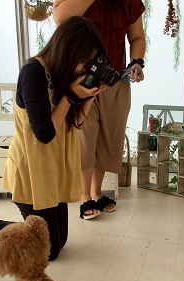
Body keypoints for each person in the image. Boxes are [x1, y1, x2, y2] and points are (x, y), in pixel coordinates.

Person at [0, 16, 106, 261]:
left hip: (50, 172)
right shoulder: (33, 73)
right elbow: (44, 134)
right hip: (31, 173)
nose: (85, 68)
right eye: (85, 61)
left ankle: (5, 227)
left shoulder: (64, 74)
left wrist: (89, 95)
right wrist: (69, 96)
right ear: (68, 50)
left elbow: (74, 122)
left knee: (60, 242)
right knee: (49, 251)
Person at [53, 0, 146, 219]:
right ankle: (84, 195)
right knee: (85, 136)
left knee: (107, 137)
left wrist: (137, 62)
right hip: (80, 78)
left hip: (114, 79)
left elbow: (137, 37)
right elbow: (60, 18)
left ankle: (97, 192)